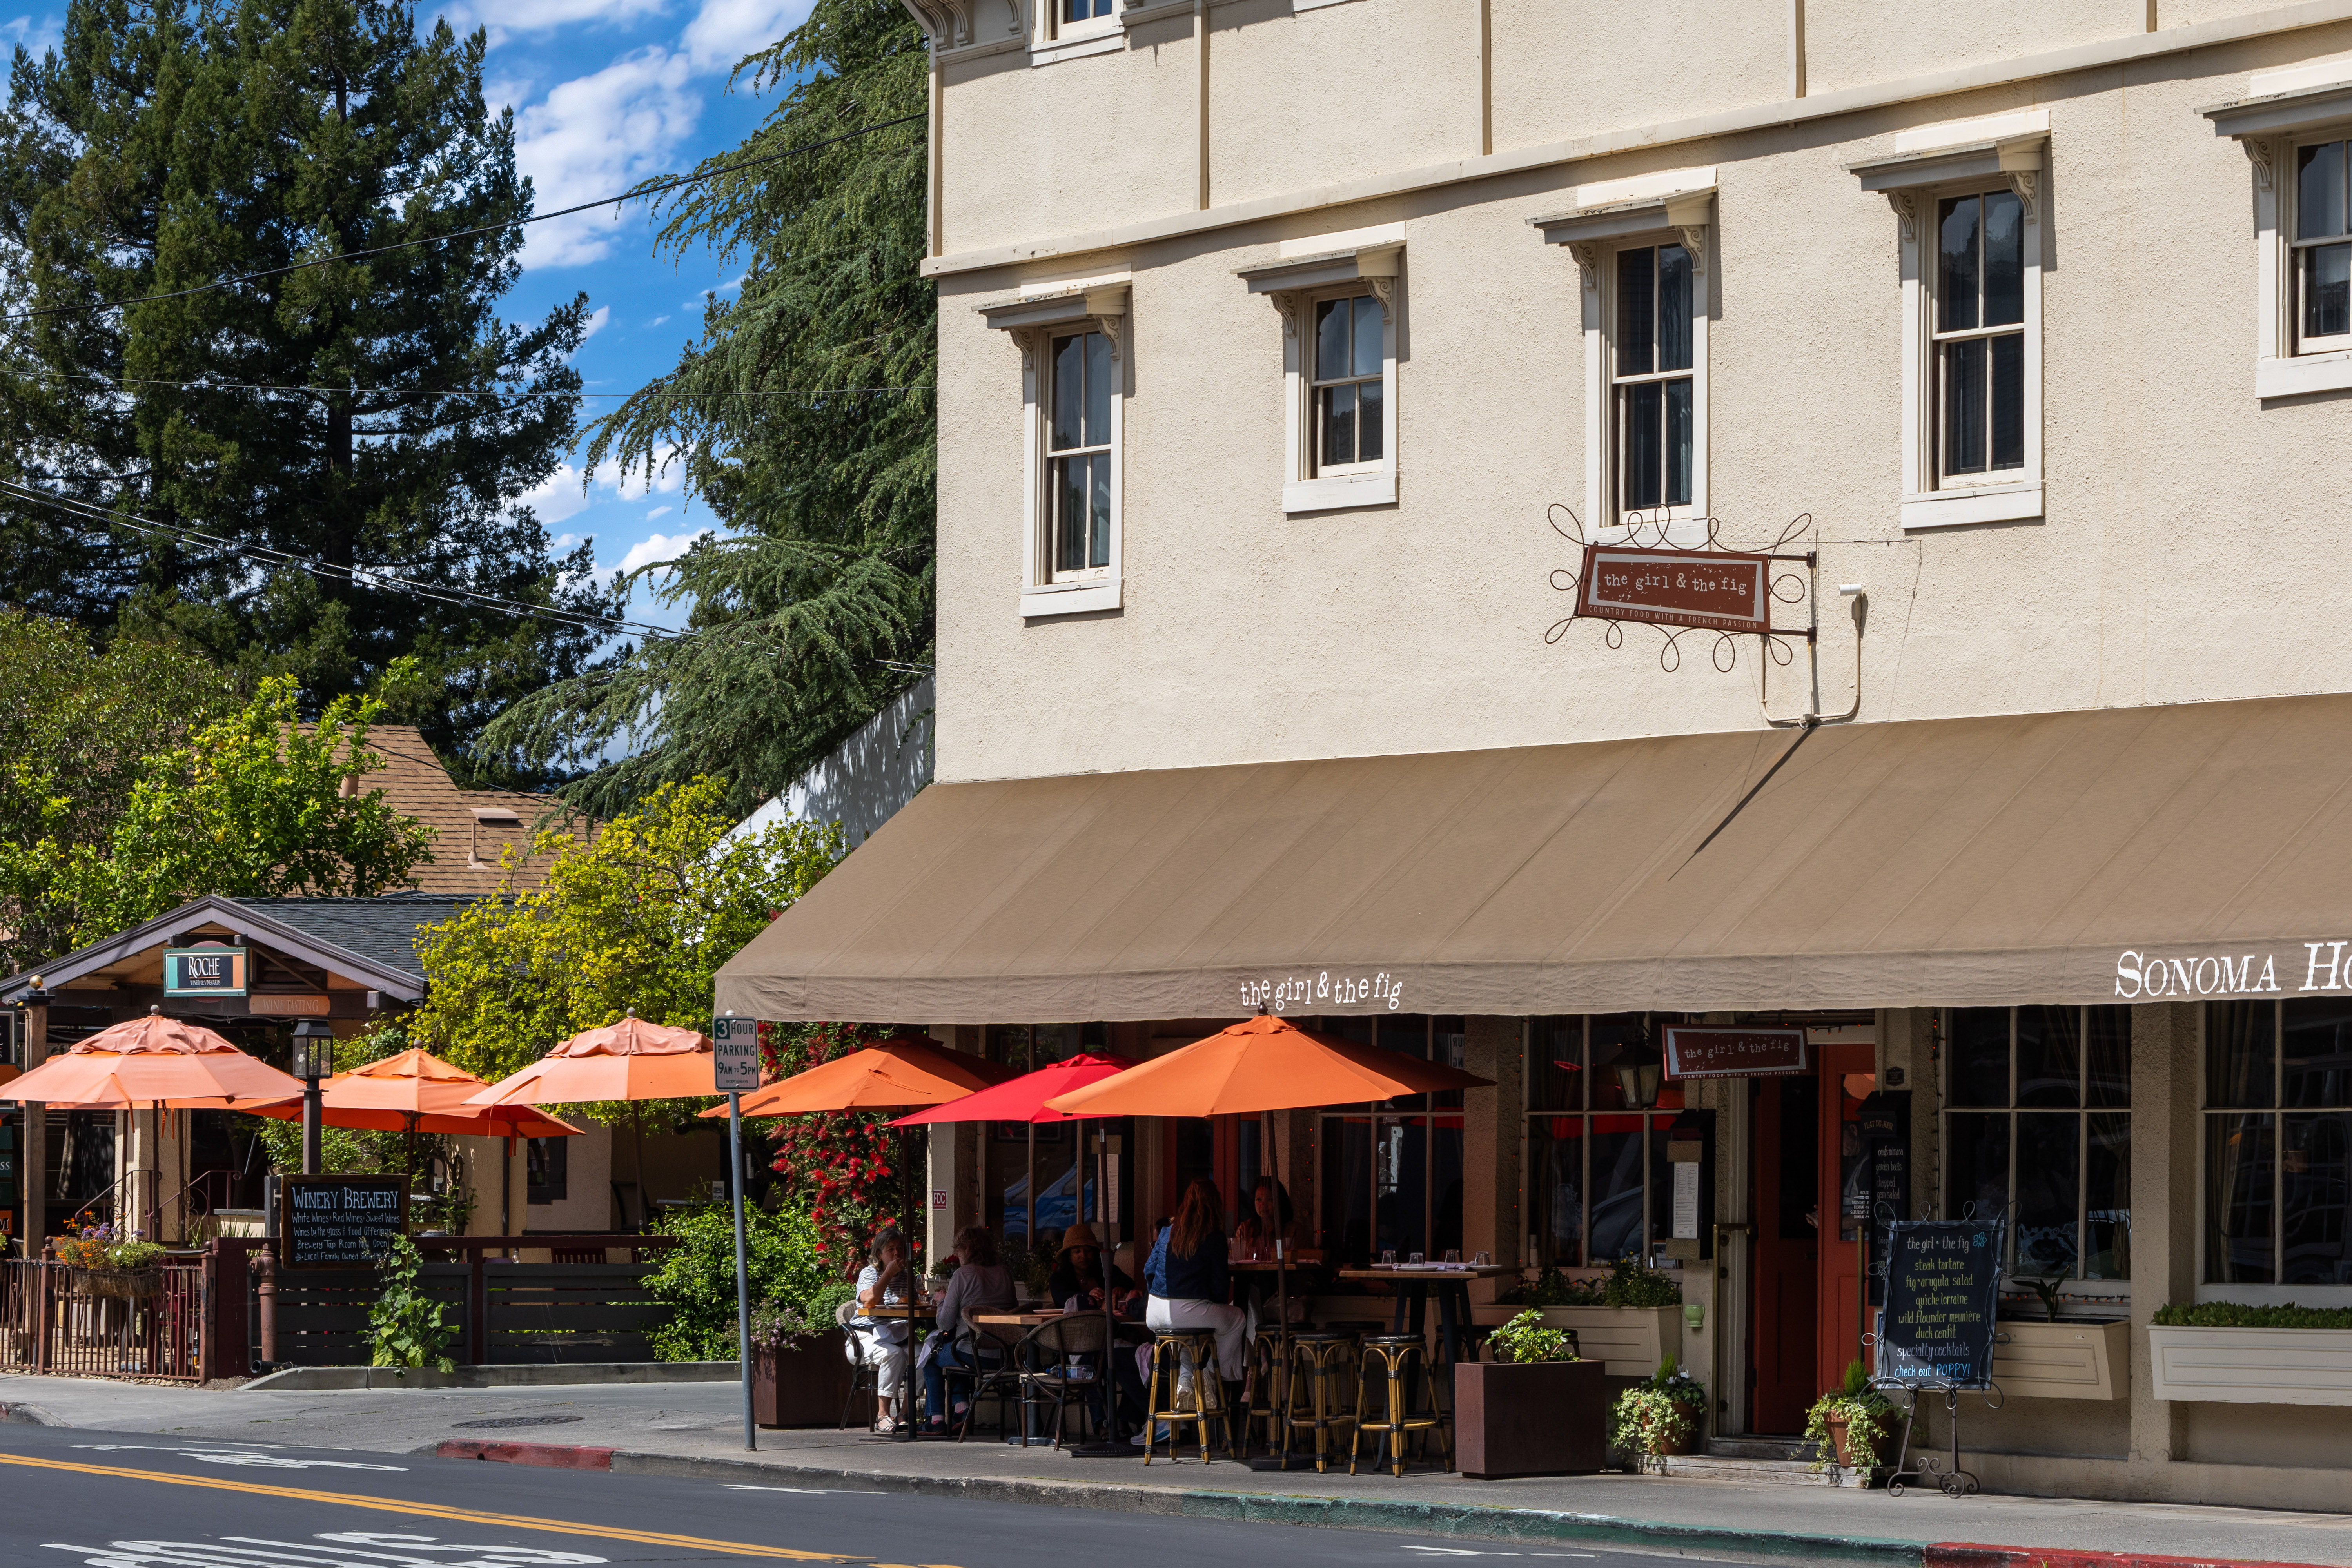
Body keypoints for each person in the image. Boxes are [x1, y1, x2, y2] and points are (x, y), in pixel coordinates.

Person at [1144, 1178, 1249, 1422]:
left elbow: (1148, 1270)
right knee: (1237, 1318)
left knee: (1189, 1339)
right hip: (1188, 1309)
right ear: (1215, 1206)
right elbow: (1220, 1284)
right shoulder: (1214, 1237)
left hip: (1155, 1312)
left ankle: (1185, 1383)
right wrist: (1213, 1304)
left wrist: (1158, 1295)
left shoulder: (1167, 1232)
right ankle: (1208, 1376)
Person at [921, 1225, 1016, 1432]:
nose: (957, 1256)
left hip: (973, 1354)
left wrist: (942, 1301)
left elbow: (945, 1324)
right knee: (955, 1350)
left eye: (958, 1251)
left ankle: (936, 1420)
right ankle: (961, 1411)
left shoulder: (963, 1275)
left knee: (931, 1358)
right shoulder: (1004, 1273)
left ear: (966, 1249)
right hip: (1006, 1355)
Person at [853, 1227, 914, 1431]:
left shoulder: (907, 1276)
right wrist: (888, 1273)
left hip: (898, 1334)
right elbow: (869, 1301)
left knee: (925, 1354)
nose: (897, 1253)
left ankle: (905, 1414)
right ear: (879, 1254)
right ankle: (882, 1416)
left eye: (900, 1249)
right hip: (866, 1335)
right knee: (893, 1354)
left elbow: (914, 1304)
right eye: (891, 1249)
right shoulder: (869, 1273)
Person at [1047, 1220, 1140, 1315]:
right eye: (1077, 1252)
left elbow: (1130, 1284)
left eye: (1088, 1251)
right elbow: (1062, 1298)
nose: (1083, 1256)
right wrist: (1088, 1295)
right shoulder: (1058, 1279)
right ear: (1069, 1256)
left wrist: (1120, 1288)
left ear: (1095, 1253)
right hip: (1070, 1323)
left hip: (1104, 1322)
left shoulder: (1105, 1270)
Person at [1232, 1177, 1307, 1259]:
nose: (1263, 1205)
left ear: (1280, 1201)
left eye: (1270, 1200)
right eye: (1259, 1200)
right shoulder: (1245, 1229)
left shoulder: (1294, 1231)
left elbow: (1299, 1260)